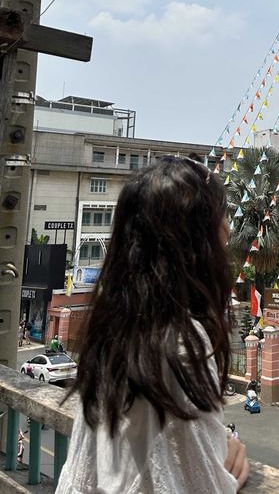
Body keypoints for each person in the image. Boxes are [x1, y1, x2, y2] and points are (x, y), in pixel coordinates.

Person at [56, 156, 249, 493]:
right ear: (195, 243)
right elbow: (204, 484)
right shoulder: (179, 345)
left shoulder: (114, 332)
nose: (229, 232)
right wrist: (230, 469)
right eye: (222, 220)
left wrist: (217, 451)